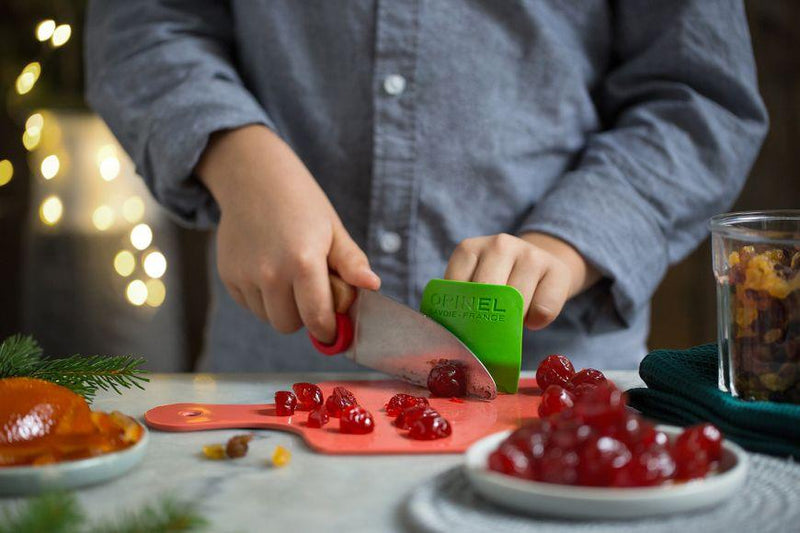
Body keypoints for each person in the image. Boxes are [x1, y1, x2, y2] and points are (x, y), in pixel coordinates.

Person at [85, 1, 767, 373]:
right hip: (271, 383)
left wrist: (569, 242)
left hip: (549, 392)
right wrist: (238, 156)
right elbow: (143, 22)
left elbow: (699, 96)